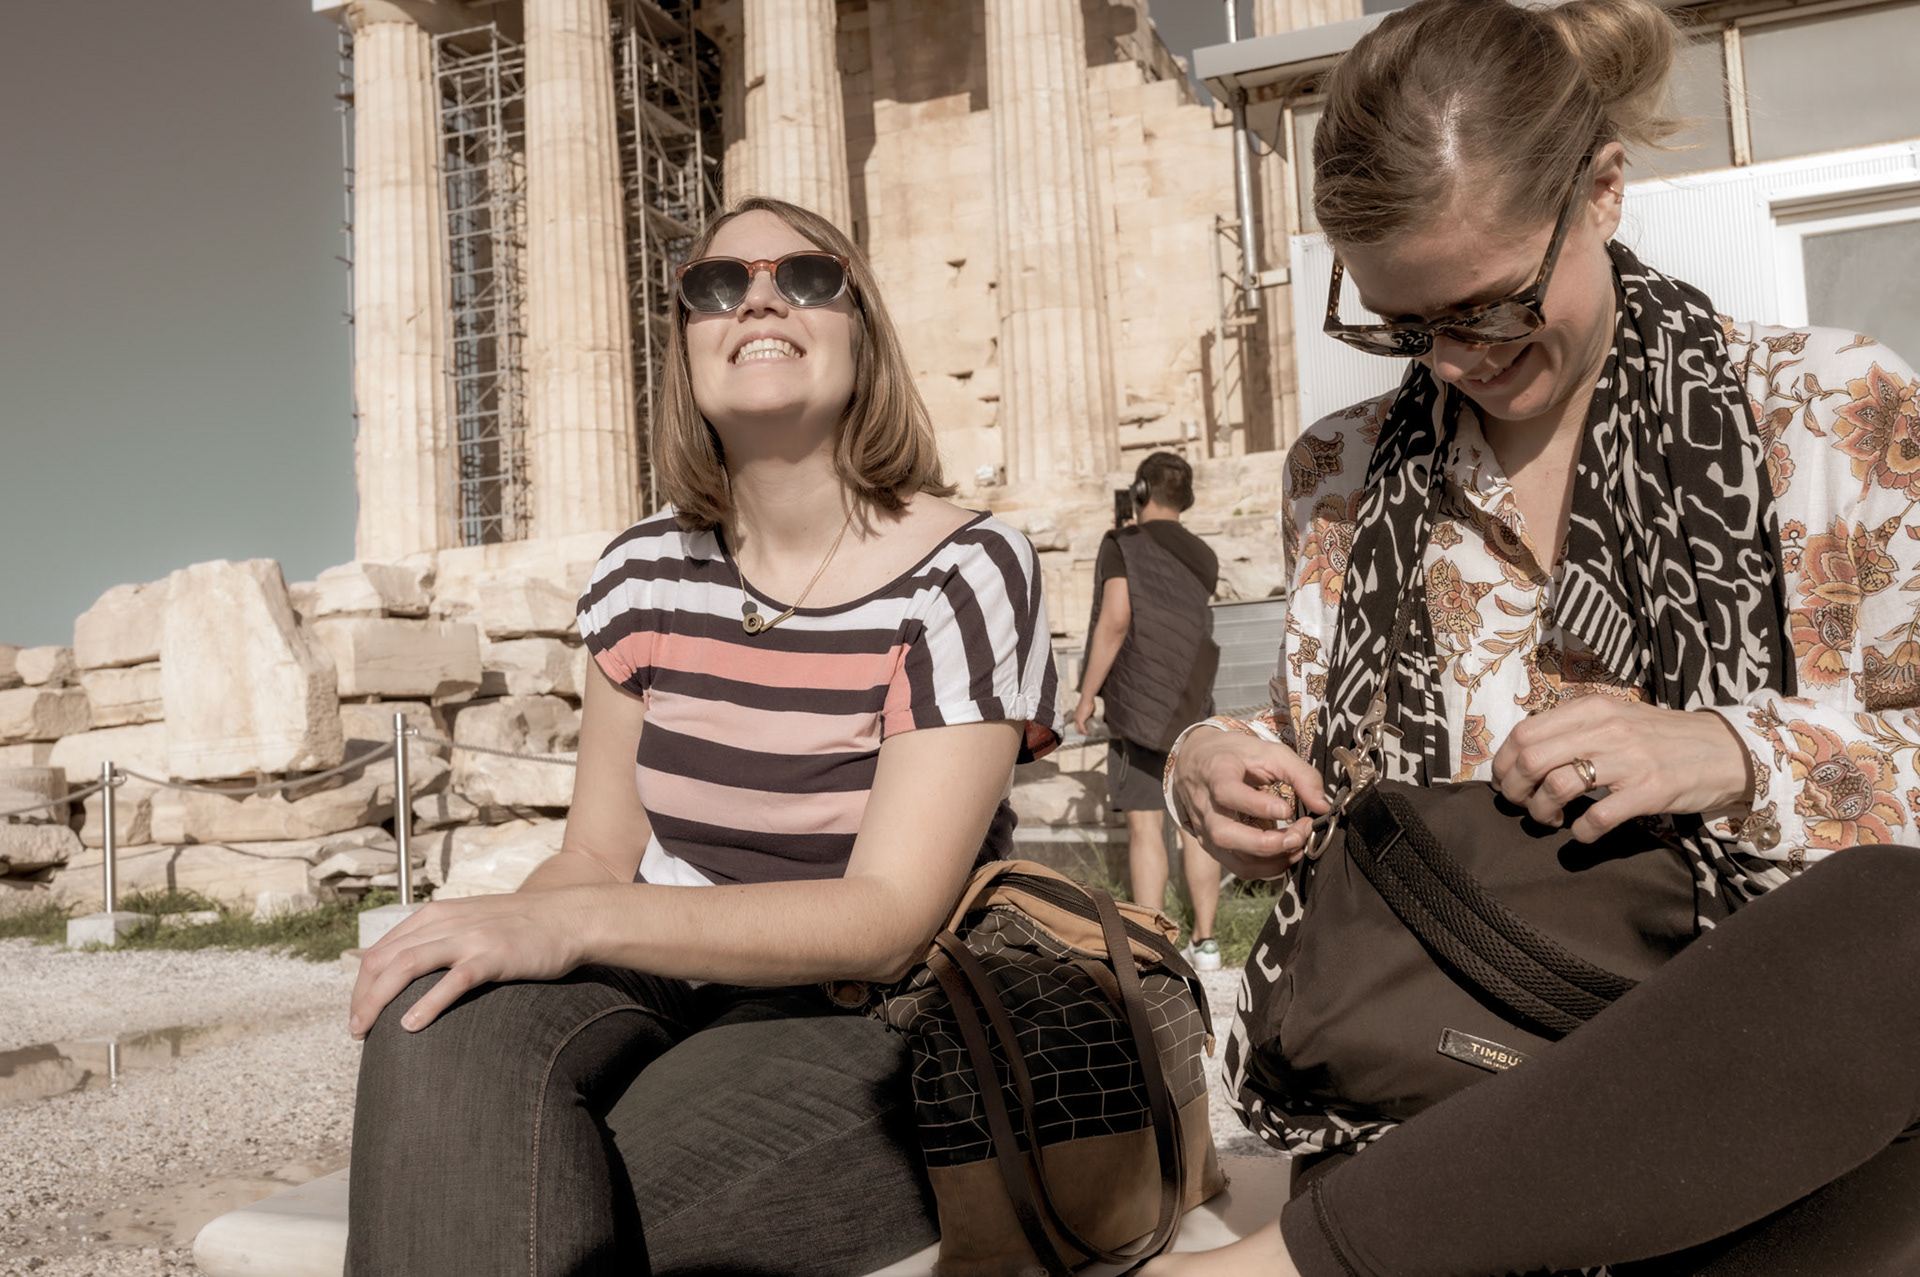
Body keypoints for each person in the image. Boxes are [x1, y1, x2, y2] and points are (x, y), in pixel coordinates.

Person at [1145, 0, 1920, 1272]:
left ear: (1605, 191)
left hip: (1750, 1107)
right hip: (1435, 1087)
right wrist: (1215, 765)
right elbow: (1323, 763)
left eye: (1492, 308)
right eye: (1401, 327)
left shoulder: (1838, 413)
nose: (1452, 361)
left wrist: (1733, 750)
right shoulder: (1338, 474)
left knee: (1901, 929)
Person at [342, 196, 1062, 1276]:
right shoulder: (643, 570)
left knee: (545, 1191)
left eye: (806, 278)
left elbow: (885, 919)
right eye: (717, 285)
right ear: (686, 346)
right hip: (671, 969)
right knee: (436, 1023)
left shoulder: (967, 570)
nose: (760, 297)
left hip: (879, 1003)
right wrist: (499, 931)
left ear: (862, 328)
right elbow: (595, 852)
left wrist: (576, 924)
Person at [1073, 451, 1225, 969]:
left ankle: (1152, 945)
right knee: (1196, 824)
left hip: (1139, 701)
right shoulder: (1204, 555)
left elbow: (1116, 620)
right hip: (1194, 698)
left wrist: (1087, 692)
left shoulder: (1124, 544)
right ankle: (1206, 942)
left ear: (1139, 493)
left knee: (1145, 828)